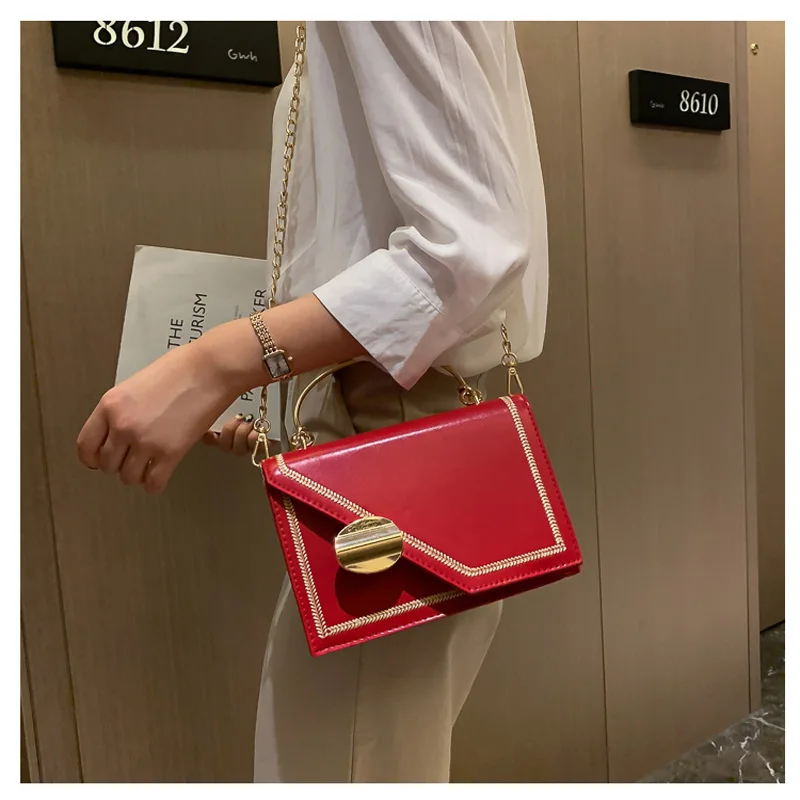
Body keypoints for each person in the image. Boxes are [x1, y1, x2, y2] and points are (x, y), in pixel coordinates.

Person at [77, 21, 548, 783]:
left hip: (396, 455)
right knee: (362, 759)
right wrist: (279, 392)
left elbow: (471, 250)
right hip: (374, 433)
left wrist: (215, 364)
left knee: (342, 765)